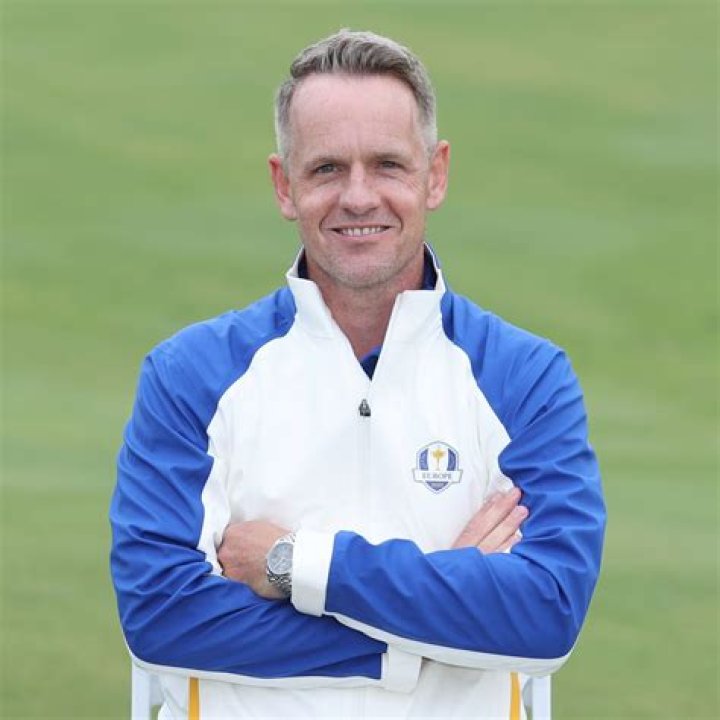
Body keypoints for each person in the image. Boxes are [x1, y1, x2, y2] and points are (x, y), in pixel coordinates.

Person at [110, 29, 606, 719]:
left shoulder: (526, 379)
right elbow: (162, 616)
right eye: (326, 169)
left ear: (435, 174)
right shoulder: (188, 376)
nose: (359, 196)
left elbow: (546, 615)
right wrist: (426, 639)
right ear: (284, 185)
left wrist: (295, 565)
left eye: (387, 165)